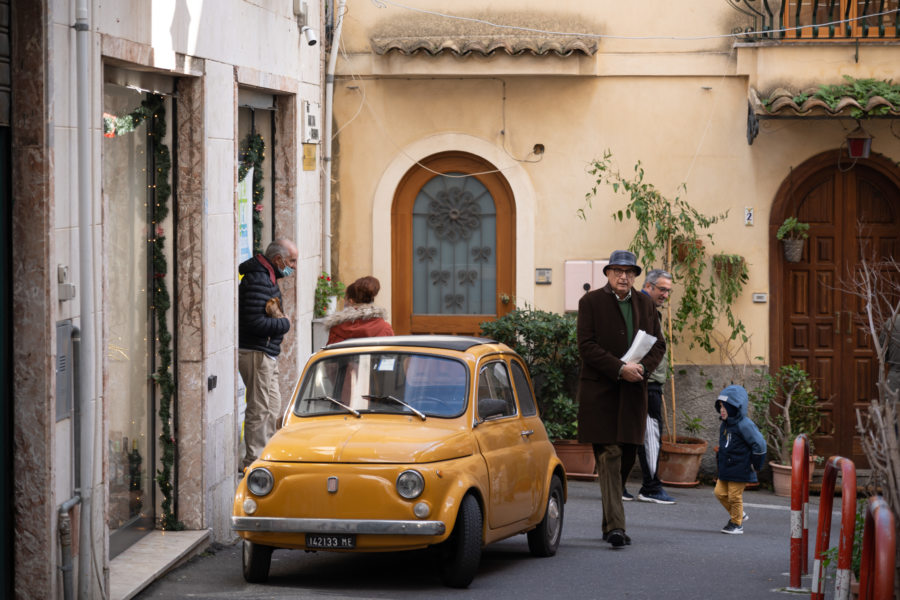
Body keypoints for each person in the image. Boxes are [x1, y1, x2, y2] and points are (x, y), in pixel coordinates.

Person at [576, 250, 666, 549]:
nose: (623, 276)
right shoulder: (590, 302)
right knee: (610, 455)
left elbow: (658, 345)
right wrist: (619, 368)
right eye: (617, 271)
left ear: (636, 276)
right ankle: (616, 527)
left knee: (627, 455)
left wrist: (642, 368)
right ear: (607, 274)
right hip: (600, 393)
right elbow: (586, 346)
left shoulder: (645, 304)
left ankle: (608, 521)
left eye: (629, 272)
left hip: (633, 393)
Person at [238, 238, 298, 471]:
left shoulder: (266, 278)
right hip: (256, 351)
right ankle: (255, 464)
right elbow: (254, 322)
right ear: (278, 259)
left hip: (265, 353)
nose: (293, 266)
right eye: (291, 260)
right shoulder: (259, 280)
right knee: (260, 409)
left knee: (272, 406)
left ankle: (267, 456)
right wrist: (284, 324)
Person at [620, 269, 677, 504]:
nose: (665, 294)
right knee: (650, 434)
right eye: (662, 289)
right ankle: (651, 486)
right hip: (646, 381)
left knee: (632, 434)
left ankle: (619, 486)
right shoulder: (644, 308)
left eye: (668, 291)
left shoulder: (645, 307)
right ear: (648, 286)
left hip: (643, 378)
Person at [714, 384, 767, 535]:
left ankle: (737, 523)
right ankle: (739, 513)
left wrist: (755, 465)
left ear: (735, 407)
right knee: (719, 493)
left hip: (741, 467)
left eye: (725, 407)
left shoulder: (745, 425)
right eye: (720, 406)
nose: (722, 410)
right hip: (727, 467)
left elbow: (760, 444)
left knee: (734, 496)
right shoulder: (725, 424)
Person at [325, 276, 394, 344]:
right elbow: (391, 353)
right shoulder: (385, 328)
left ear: (351, 301)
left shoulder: (337, 328)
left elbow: (332, 353)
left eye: (345, 298)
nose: (344, 301)